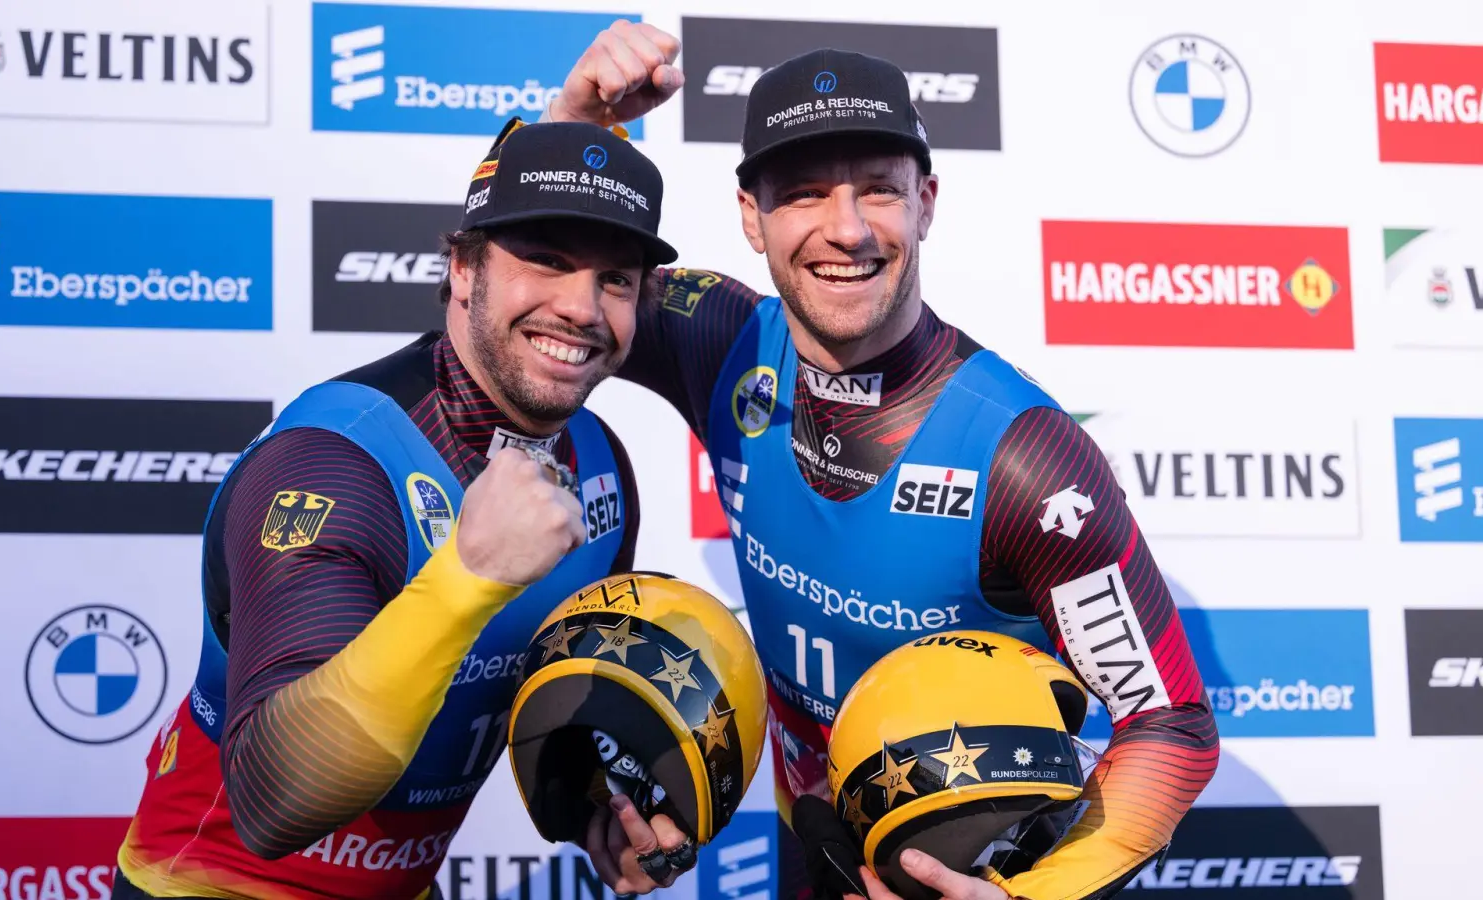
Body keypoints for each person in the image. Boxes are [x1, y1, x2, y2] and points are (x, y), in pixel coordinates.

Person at [539, 24, 1220, 900]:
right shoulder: (721, 337)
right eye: (806, 193)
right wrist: (573, 125)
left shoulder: (1026, 457)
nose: (847, 230)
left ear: (927, 202)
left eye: (880, 192)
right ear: (751, 216)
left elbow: (1172, 724)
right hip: (809, 857)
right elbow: (526, 298)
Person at [111, 119, 696, 899]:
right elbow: (272, 801)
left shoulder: (602, 468)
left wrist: (599, 810)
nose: (582, 307)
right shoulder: (334, 460)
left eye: (615, 279)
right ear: (461, 268)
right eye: (547, 261)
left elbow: (540, 697)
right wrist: (469, 574)